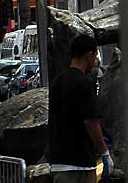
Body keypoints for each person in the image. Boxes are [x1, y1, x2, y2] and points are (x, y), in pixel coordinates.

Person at [48, 34, 113, 183]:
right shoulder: (85, 82)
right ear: (89, 55)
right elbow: (91, 122)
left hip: (58, 162)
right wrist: (104, 152)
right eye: (95, 55)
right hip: (80, 165)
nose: (95, 61)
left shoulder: (57, 82)